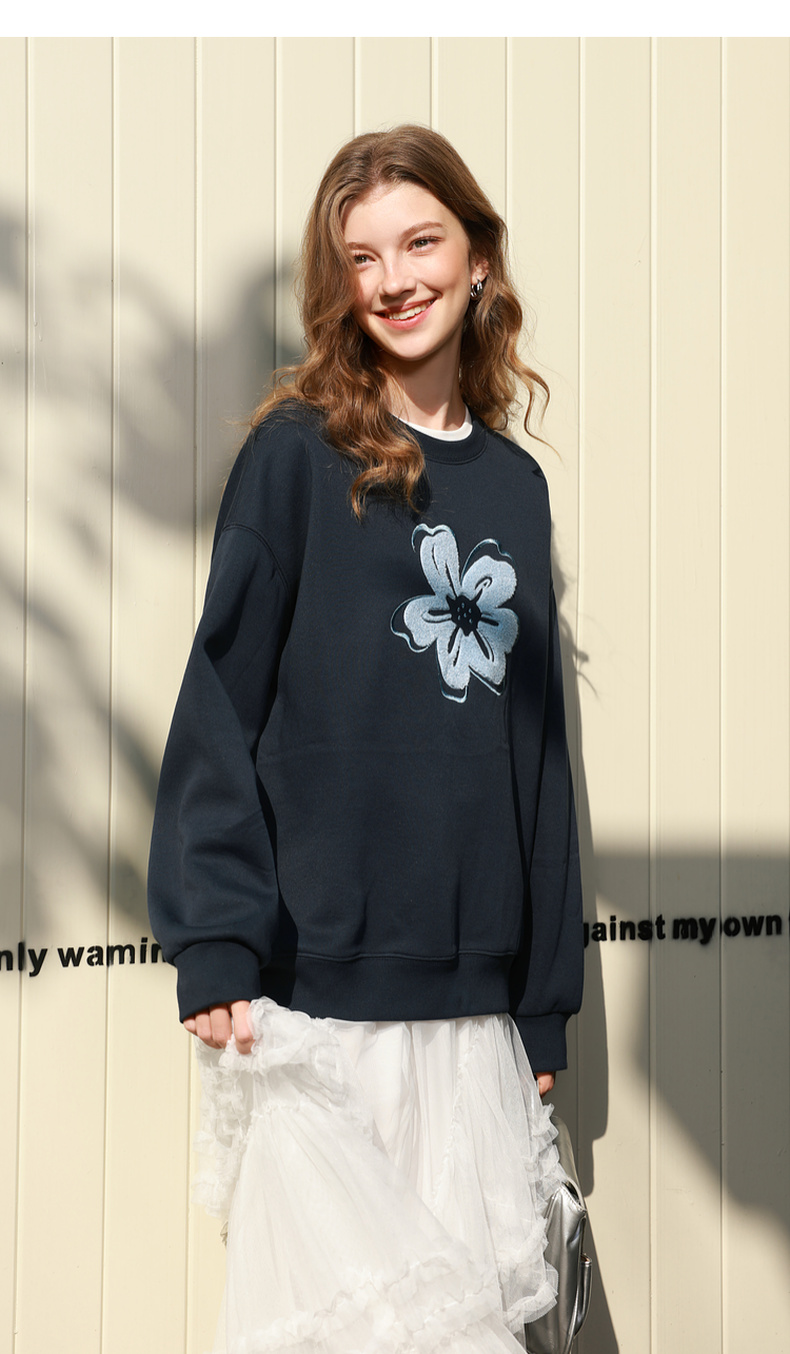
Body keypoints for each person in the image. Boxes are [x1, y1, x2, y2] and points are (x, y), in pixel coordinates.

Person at [148, 124, 583, 1354]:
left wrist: (541, 1005)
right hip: (324, 1008)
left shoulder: (514, 491)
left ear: (479, 257)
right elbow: (220, 698)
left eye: (420, 242)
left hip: (474, 1022)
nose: (394, 280)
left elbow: (537, 766)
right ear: (338, 284)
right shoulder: (296, 459)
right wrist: (217, 937)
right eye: (362, 257)